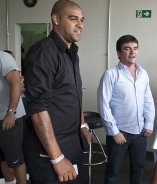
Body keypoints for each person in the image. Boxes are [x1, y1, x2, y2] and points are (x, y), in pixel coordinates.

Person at [23, 0, 92, 183]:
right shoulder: (43, 52)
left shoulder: (71, 53)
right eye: (73, 18)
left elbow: (73, 94)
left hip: (72, 144)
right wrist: (58, 158)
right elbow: (38, 110)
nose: (80, 25)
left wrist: (82, 125)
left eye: (82, 20)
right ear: (56, 19)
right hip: (50, 153)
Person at [97, 34, 155, 184]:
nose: (132, 52)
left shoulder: (143, 74)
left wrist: (149, 123)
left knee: (139, 168)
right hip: (120, 132)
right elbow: (103, 105)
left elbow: (148, 100)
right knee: (113, 171)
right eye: (127, 49)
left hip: (140, 132)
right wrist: (114, 131)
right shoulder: (111, 75)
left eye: (135, 48)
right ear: (118, 52)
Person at [0, 50, 27, 184]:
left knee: (15, 158)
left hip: (9, 117)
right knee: (2, 158)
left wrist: (11, 113)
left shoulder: (3, 57)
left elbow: (16, 83)